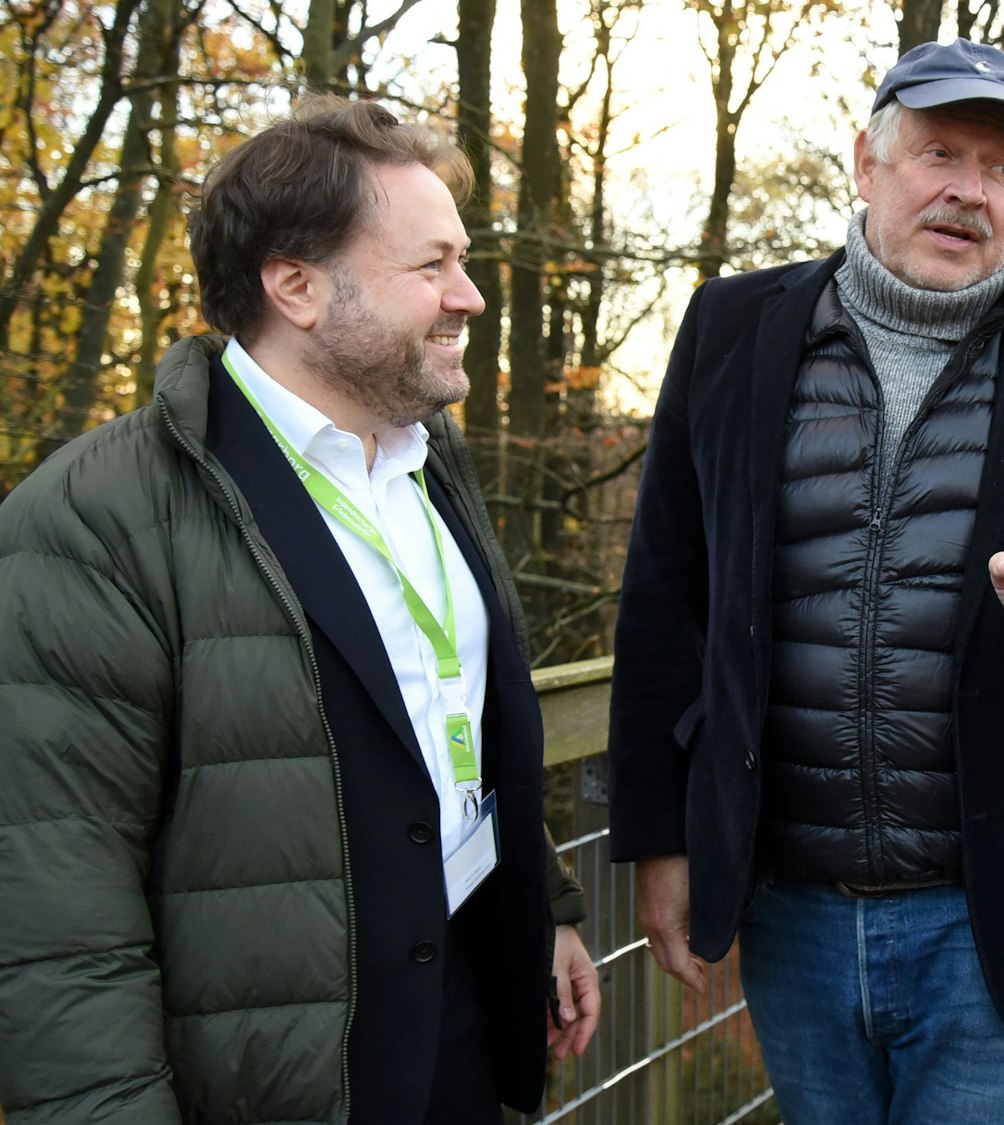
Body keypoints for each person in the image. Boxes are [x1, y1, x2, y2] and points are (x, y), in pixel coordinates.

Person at [606, 36, 1004, 1125]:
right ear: (866, 161)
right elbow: (665, 601)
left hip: (993, 924)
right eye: (939, 155)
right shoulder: (731, 330)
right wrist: (658, 838)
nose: (969, 191)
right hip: (790, 913)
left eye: (1002, 169)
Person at [0, 97, 599, 1123]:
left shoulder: (427, 464)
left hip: (460, 1036)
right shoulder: (92, 522)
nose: (471, 298)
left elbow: (440, 729)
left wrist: (539, 908)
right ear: (296, 287)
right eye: (431, 267)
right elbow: (53, 913)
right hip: (276, 1080)